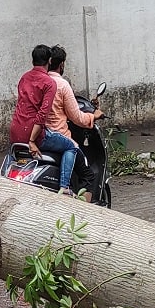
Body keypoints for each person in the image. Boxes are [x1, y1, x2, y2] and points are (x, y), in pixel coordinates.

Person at [9, 44, 80, 195]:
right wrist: (32, 141)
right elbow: (42, 115)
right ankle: (65, 187)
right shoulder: (49, 83)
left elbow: (22, 105)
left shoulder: (24, 78)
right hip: (34, 134)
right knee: (71, 147)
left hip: (16, 131)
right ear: (49, 61)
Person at [46, 45, 103, 202]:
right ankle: (84, 212)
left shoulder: (40, 82)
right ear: (62, 64)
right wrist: (94, 116)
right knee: (88, 175)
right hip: (59, 136)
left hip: (40, 136)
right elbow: (77, 117)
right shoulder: (62, 84)